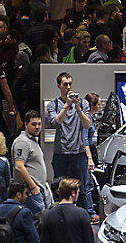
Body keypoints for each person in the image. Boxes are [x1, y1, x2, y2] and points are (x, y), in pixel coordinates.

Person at [45, 72, 91, 210]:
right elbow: (55, 121)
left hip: (79, 153)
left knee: (81, 189)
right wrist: (66, 105)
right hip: (61, 153)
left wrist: (78, 109)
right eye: (65, 84)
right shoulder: (54, 104)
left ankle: (83, 216)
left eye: (70, 83)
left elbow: (87, 125)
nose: (69, 87)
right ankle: (61, 215)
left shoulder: (83, 103)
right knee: (61, 188)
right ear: (59, 86)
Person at [38, 178, 93, 243]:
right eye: (78, 192)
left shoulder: (47, 214)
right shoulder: (82, 214)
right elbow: (89, 240)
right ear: (73, 193)